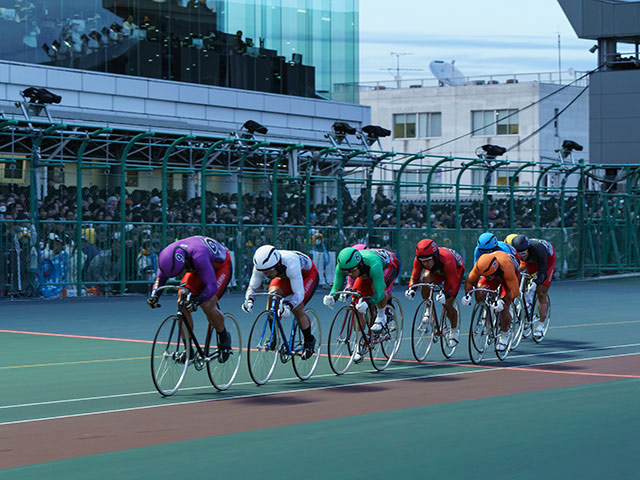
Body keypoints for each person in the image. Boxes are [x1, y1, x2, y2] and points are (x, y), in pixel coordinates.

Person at [147, 236, 233, 363]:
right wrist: (155, 296)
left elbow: (212, 286)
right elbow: (160, 280)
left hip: (220, 267)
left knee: (207, 304)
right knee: (182, 299)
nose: (179, 276)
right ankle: (188, 349)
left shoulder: (199, 256)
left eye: (180, 272)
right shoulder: (167, 258)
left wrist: (197, 300)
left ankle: (224, 337)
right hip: (197, 268)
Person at [242, 245, 319, 360]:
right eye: (263, 272)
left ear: (277, 264)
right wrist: (249, 300)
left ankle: (309, 340)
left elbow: (299, 294)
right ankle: (274, 336)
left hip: (307, 276)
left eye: (268, 272)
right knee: (272, 295)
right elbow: (252, 287)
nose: (266, 275)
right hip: (284, 276)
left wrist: (289, 305)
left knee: (297, 308)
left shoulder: (291, 263)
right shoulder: (261, 266)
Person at [323, 246, 399, 362]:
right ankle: (358, 345)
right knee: (356, 300)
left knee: (378, 288)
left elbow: (379, 293)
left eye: (352, 270)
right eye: (346, 271)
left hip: (388, 266)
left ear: (359, 264)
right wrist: (332, 296)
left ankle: (381, 316)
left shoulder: (373, 264)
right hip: (365, 272)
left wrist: (369, 303)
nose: (349, 274)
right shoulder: (344, 266)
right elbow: (336, 286)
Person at [405, 239, 465, 347]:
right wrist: (411, 289)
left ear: (435, 256)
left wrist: (446, 295)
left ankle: (454, 330)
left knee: (447, 303)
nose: (425, 264)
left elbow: (453, 286)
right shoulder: (419, 260)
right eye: (422, 261)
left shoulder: (447, 260)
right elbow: (415, 276)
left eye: (428, 260)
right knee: (425, 280)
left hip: (454, 270)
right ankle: (428, 309)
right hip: (437, 271)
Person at [463, 251, 520, 352]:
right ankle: (488, 312)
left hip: (509, 276)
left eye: (489, 275)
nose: (488, 278)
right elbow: (470, 281)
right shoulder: (479, 266)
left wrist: (503, 301)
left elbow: (515, 291)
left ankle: (504, 335)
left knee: (504, 306)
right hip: (494, 272)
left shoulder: (506, 267)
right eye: (486, 275)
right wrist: (468, 294)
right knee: (480, 292)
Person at [511, 234, 556, 338]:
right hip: (530, 261)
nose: (521, 256)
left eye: (523, 253)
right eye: (519, 254)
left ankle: (541, 325)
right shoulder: (518, 253)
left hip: (546, 260)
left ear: (528, 249)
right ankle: (524, 298)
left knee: (541, 292)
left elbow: (543, 273)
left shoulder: (538, 250)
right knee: (516, 274)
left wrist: (536, 283)